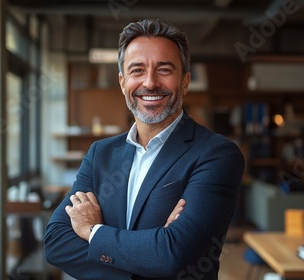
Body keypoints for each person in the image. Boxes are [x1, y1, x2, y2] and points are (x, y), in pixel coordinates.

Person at [44, 18, 245, 280]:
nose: (150, 83)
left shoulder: (216, 154)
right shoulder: (100, 154)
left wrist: (92, 230)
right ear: (122, 81)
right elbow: (56, 244)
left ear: (185, 81)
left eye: (164, 70)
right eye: (137, 70)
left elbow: (172, 253)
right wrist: (151, 253)